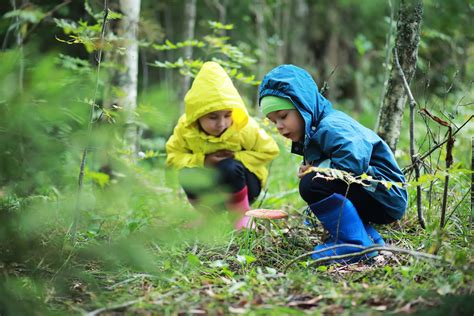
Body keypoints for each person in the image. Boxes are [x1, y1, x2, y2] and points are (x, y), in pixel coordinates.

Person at [258, 64, 407, 263]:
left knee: (313, 183)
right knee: (315, 180)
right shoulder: (316, 129)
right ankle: (370, 239)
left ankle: (352, 244)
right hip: (377, 194)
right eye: (273, 121)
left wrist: (318, 170)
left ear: (303, 106)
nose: (280, 126)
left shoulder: (331, 125)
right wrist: (317, 167)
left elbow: (354, 161)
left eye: (283, 116)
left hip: (385, 195)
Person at [166, 61, 279, 230]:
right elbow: (173, 156)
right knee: (187, 173)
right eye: (213, 117)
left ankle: (241, 217)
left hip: (246, 186)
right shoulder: (186, 129)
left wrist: (236, 156)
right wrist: (203, 160)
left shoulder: (244, 127)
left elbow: (270, 150)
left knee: (229, 167)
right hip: (210, 188)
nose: (222, 124)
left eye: (227, 115)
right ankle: (207, 216)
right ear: (197, 116)